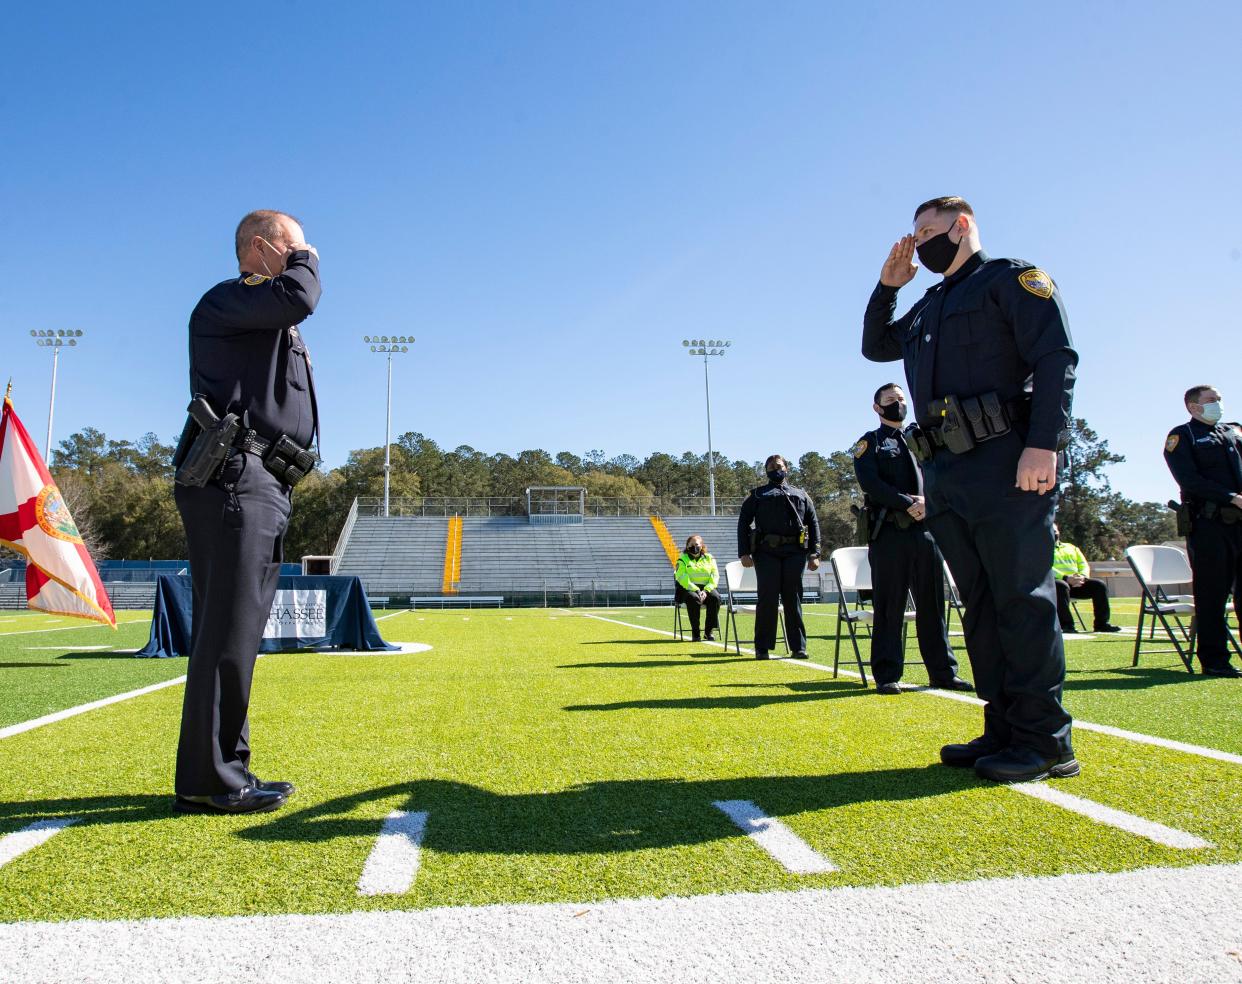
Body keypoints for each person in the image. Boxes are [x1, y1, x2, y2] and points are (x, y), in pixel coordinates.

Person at [862, 195, 1079, 783]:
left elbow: (1057, 358)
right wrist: (888, 287)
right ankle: (1003, 726)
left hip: (1008, 460)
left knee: (1023, 600)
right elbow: (877, 347)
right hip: (946, 471)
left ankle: (1045, 739)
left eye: (928, 232)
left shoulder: (1011, 280)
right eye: (913, 236)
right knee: (980, 604)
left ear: (961, 227)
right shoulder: (929, 306)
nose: (919, 245)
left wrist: (1045, 444)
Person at [172, 210, 322, 814]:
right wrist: (306, 260)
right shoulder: (228, 301)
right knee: (225, 632)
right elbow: (301, 296)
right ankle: (209, 779)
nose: (302, 254)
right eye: (291, 245)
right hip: (234, 477)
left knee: (240, 631)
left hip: (262, 481)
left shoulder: (262, 312)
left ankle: (229, 768)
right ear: (260, 248)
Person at [853, 383, 973, 694]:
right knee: (890, 605)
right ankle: (887, 674)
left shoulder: (922, 436)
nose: (898, 404)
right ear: (877, 408)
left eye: (901, 398)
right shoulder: (871, 443)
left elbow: (943, 474)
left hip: (927, 531)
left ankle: (943, 672)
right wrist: (909, 503)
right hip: (890, 531)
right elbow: (871, 483)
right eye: (890, 400)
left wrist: (929, 503)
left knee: (933, 605)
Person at [1163, 385, 1242, 677]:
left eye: (1219, 399)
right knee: (1212, 594)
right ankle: (1215, 660)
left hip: (1240, 524)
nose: (1218, 404)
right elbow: (1189, 479)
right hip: (1210, 524)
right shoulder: (1183, 436)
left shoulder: (1235, 432)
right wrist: (1231, 497)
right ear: (1193, 407)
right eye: (1211, 400)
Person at [738, 455, 821, 660]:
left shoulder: (801, 495)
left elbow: (813, 522)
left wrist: (815, 553)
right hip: (766, 553)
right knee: (768, 599)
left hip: (795, 552)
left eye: (780, 466)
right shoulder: (757, 495)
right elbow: (743, 523)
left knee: (793, 599)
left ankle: (798, 647)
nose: (776, 470)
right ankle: (762, 647)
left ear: (787, 468)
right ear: (766, 471)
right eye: (772, 467)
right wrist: (744, 552)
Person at [1051, 523, 1120, 634]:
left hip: (1077, 583)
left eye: (1055, 531)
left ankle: (1101, 624)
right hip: (1057, 584)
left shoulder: (1071, 547)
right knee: (1061, 586)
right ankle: (1067, 625)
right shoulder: (1040, 549)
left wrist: (1082, 577)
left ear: (1059, 532)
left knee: (1099, 585)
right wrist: (1065, 578)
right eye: (1050, 530)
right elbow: (1044, 568)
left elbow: (1083, 564)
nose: (1053, 533)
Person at [674, 534, 721, 642]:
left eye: (697, 544)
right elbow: (681, 577)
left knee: (716, 598)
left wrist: (706, 590)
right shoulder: (682, 559)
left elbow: (715, 575)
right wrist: (696, 589)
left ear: (702, 546)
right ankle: (696, 633)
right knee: (693, 598)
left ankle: (708, 632)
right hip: (688, 589)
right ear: (687, 546)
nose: (694, 547)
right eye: (691, 544)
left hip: (706, 589)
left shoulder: (709, 558)